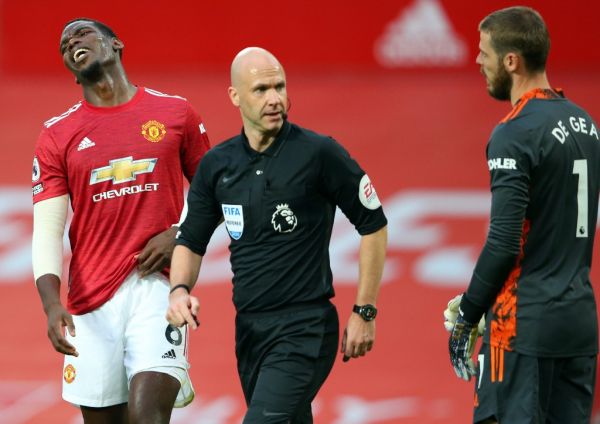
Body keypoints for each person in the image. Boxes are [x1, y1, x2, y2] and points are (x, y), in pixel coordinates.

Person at [166, 47, 388, 423]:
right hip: (250, 329)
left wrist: (364, 311)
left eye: (279, 86)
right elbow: (190, 240)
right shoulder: (218, 166)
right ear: (235, 96)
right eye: (260, 89)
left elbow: (374, 225)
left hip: (305, 325)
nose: (274, 99)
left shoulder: (319, 153)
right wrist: (179, 291)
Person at [31, 18, 210, 423]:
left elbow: (214, 192)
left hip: (158, 289)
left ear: (115, 44)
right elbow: (47, 229)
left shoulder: (175, 113)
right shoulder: (57, 135)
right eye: (64, 44)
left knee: (148, 416)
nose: (71, 43)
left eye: (81, 34)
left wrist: (181, 234)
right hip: (90, 302)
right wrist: (51, 304)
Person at [446, 6, 600, 423]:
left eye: (485, 53)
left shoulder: (514, 132)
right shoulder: (586, 124)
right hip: (579, 325)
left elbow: (503, 242)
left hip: (523, 329)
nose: (478, 61)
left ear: (511, 61)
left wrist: (468, 316)